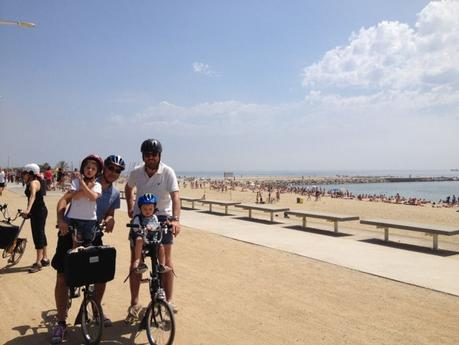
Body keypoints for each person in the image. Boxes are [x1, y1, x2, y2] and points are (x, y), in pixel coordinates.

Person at [51, 154, 125, 344]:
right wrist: (60, 220)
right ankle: (61, 322)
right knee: (62, 276)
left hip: (93, 233)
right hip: (70, 230)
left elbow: (109, 213)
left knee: (101, 273)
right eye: (110, 168)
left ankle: (95, 308)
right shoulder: (86, 180)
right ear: (103, 169)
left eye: (118, 171)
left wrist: (110, 220)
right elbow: (63, 201)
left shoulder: (115, 194)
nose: (113, 173)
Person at [125, 138, 180, 321]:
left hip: (162, 216)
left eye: (154, 154)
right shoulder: (136, 172)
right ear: (143, 156)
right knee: (136, 259)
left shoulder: (168, 172)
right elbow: (128, 187)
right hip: (140, 217)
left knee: (166, 259)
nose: (151, 157)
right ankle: (134, 304)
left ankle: (169, 301)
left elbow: (175, 196)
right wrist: (130, 207)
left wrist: (175, 219)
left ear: (159, 155)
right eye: (147, 154)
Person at [65, 155, 103, 246]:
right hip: (75, 217)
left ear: (97, 171)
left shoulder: (97, 185)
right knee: (76, 244)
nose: (90, 170)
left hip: (90, 219)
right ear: (83, 168)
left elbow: (93, 197)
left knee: (88, 244)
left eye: (93, 169)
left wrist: (83, 187)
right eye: (88, 167)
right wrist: (87, 186)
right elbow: (75, 197)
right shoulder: (76, 182)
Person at [20, 163, 49, 273]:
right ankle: (45, 258)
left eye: (25, 174)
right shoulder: (37, 181)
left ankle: (38, 263)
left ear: (31, 173)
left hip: (39, 212)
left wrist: (27, 210)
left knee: (38, 235)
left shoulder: (34, 183)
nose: (24, 176)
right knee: (41, 233)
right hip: (39, 211)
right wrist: (29, 211)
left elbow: (32, 196)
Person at [129, 193, 161, 274]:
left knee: (161, 245)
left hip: (152, 238)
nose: (148, 211)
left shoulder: (154, 217)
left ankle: (162, 264)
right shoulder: (138, 218)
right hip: (143, 238)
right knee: (139, 239)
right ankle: (138, 260)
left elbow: (156, 225)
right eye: (145, 209)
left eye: (150, 209)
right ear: (140, 209)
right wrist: (140, 228)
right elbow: (135, 227)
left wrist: (153, 227)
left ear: (154, 208)